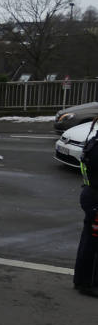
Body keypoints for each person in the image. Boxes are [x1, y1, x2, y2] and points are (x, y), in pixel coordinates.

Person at [74, 117, 98, 297]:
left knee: (89, 239)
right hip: (96, 196)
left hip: (90, 193)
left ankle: (81, 279)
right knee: (93, 243)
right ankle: (89, 284)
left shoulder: (93, 140)